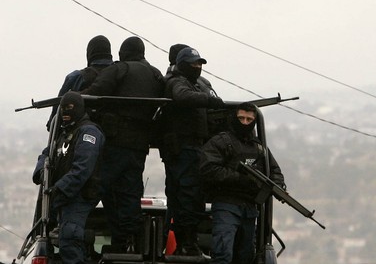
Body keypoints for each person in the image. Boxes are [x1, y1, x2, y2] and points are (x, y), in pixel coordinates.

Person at [81, 36, 165, 253]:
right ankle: (127, 244)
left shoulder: (121, 69)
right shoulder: (156, 75)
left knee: (97, 189)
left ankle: (75, 230)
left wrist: (74, 98)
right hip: (139, 146)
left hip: (115, 142)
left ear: (123, 52)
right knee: (129, 195)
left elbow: (95, 91)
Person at [200, 102, 286, 264]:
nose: (245, 123)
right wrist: (240, 178)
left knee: (245, 256)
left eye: (249, 119)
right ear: (234, 118)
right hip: (227, 203)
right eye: (241, 118)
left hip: (250, 207)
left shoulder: (259, 147)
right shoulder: (222, 141)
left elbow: (274, 171)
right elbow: (208, 169)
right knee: (223, 254)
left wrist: (276, 186)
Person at [160, 47, 225, 256]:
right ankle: (186, 244)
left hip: (193, 147)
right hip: (183, 148)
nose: (198, 67)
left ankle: (187, 243)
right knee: (187, 197)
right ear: (182, 65)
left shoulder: (198, 83)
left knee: (189, 197)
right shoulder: (176, 81)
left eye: (200, 64)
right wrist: (208, 100)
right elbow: (182, 96)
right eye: (194, 64)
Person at [33, 91, 105, 264]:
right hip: (60, 196)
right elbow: (46, 154)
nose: (66, 112)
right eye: (63, 109)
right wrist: (42, 173)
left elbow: (82, 169)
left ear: (79, 109)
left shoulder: (89, 133)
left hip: (78, 195)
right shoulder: (64, 133)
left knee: (70, 237)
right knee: (43, 235)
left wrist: (59, 188)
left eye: (70, 108)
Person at [46, 35, 113, 130]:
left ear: (89, 53)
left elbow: (60, 105)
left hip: (80, 131)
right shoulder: (121, 73)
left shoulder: (76, 77)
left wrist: (51, 125)